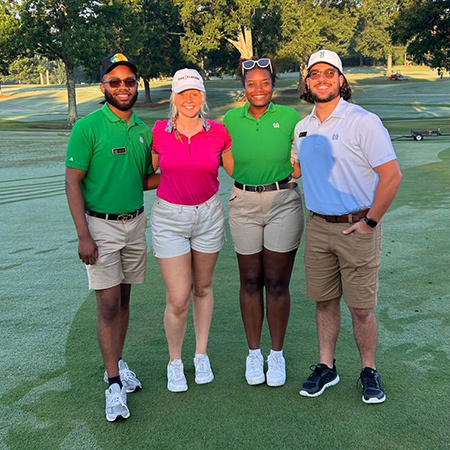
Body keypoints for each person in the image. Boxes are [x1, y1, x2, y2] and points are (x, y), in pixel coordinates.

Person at [293, 49, 402, 404]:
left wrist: (370, 222)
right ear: (307, 82)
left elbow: (391, 176)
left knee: (360, 308)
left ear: (341, 80)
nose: (321, 79)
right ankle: (327, 366)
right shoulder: (303, 127)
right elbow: (294, 168)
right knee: (325, 303)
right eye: (315, 74)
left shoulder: (362, 121)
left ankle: (368, 369)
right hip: (319, 225)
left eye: (329, 73)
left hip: (357, 226)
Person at [65, 53, 158, 422]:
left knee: (123, 298)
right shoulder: (87, 127)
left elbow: (145, 180)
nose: (123, 87)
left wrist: (187, 172)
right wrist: (83, 235)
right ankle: (115, 384)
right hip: (100, 227)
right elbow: (73, 181)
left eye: (129, 81)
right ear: (103, 86)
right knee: (107, 304)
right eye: (115, 82)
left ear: (136, 85)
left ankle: (115, 365)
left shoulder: (142, 129)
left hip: (135, 222)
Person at [222, 57, 304, 387]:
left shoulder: (289, 117)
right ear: (243, 87)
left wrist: (283, 173)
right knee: (251, 280)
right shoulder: (230, 119)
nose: (259, 89)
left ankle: (277, 354)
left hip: (283, 201)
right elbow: (225, 159)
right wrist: (246, 180)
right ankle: (254, 353)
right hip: (243, 204)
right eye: (251, 83)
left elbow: (300, 159)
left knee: (277, 282)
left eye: (265, 82)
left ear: (274, 84)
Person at [151, 68, 231, 392]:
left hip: (209, 214)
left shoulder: (219, 133)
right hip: (169, 218)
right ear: (174, 97)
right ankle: (174, 361)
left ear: (202, 97)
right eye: (183, 94)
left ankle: (200, 354)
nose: (189, 100)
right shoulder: (159, 131)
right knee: (178, 297)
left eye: (194, 93)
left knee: (203, 287)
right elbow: (145, 172)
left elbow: (240, 171)